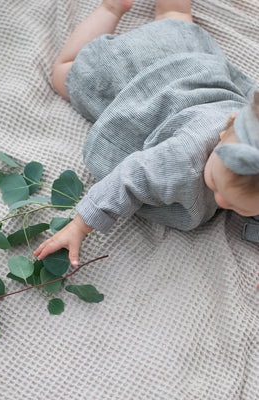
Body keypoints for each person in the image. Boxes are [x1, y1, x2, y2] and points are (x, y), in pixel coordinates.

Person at [34, 0, 259, 266]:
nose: (220, 200)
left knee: (175, 15)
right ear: (223, 134)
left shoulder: (245, 139)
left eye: (240, 207)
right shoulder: (183, 158)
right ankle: (111, 9)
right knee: (65, 73)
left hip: (186, 54)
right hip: (133, 72)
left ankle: (171, 15)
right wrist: (80, 226)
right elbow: (129, 179)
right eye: (215, 182)